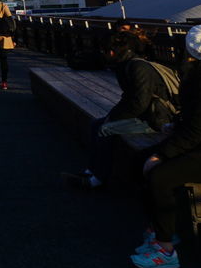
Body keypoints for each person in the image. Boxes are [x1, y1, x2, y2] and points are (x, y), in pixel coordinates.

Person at [132, 23, 201, 268]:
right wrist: (175, 127)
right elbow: (199, 121)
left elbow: (196, 129)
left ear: (190, 50)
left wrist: (162, 154)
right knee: (140, 161)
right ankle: (160, 229)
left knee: (160, 175)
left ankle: (165, 248)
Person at [63, 27, 179, 189]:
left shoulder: (137, 68)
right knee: (97, 124)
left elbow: (139, 102)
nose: (103, 54)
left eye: (104, 51)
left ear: (112, 52)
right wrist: (113, 116)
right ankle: (90, 171)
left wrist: (114, 118)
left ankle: (97, 179)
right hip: (146, 114)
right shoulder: (126, 65)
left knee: (104, 129)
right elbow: (130, 100)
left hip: (156, 119)